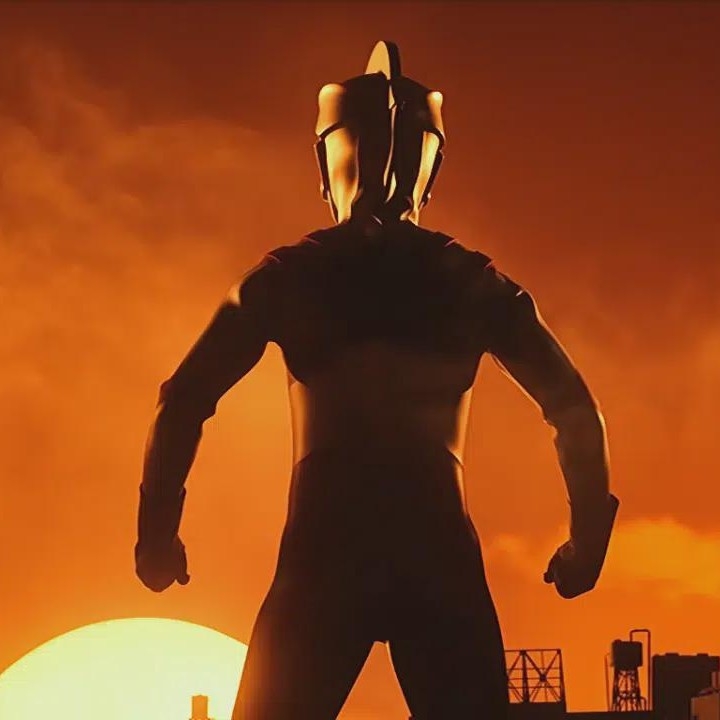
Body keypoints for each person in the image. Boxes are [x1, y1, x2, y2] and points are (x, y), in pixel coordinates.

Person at [134, 41, 619, 720]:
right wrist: (586, 542)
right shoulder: (473, 283)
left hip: (324, 555)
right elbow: (573, 410)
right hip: (438, 555)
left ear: (324, 163)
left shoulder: (289, 277)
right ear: (432, 169)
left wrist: (158, 532)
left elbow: (184, 399)